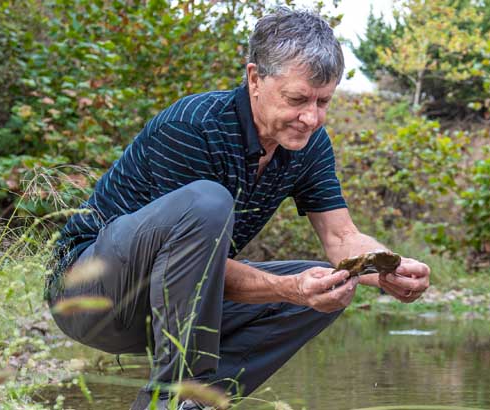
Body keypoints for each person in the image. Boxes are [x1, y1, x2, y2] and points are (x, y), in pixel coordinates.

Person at [44, 7, 431, 410]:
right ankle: (180, 394)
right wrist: (290, 288)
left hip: (175, 303)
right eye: (297, 99)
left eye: (323, 101)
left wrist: (388, 270)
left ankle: (184, 404)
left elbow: (341, 236)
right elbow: (187, 259)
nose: (311, 117)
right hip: (91, 295)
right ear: (254, 79)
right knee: (209, 202)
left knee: (329, 288)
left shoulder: (310, 143)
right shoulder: (193, 126)